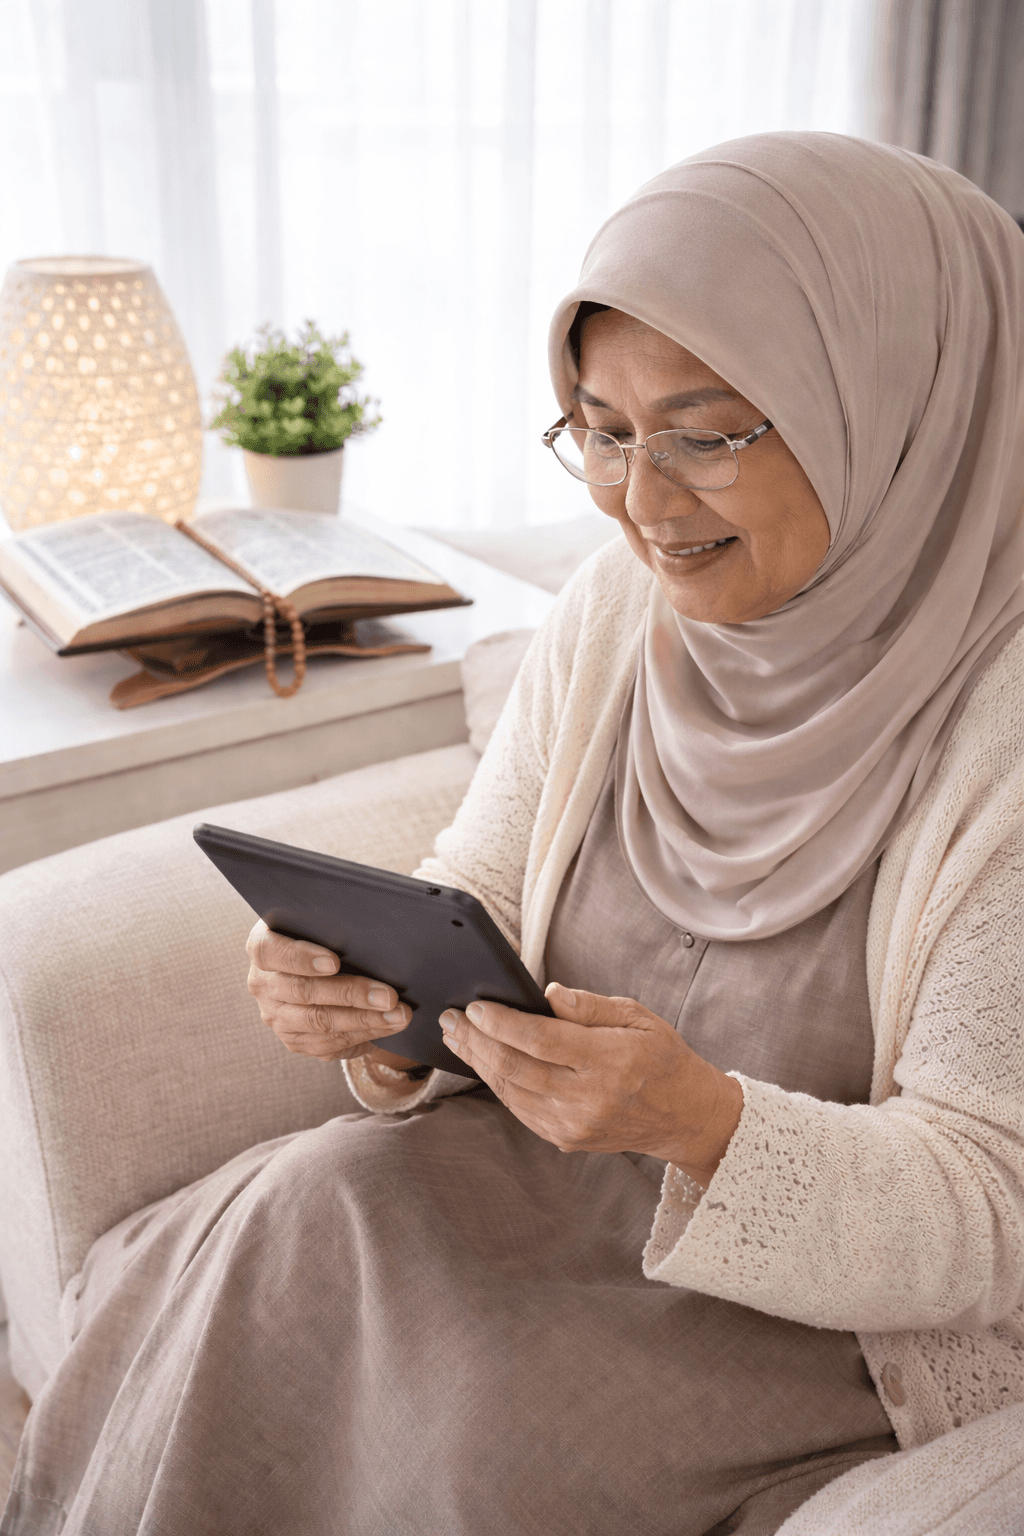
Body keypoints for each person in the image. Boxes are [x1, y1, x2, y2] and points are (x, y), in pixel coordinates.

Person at [5, 132, 1024, 1536]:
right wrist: (370, 1000)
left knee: (480, 1430)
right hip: (539, 1184)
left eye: (708, 430)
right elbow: (476, 887)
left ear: (894, 407)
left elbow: (991, 1216)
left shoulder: (1006, 736)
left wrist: (704, 1126)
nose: (641, 502)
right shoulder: (618, 612)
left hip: (810, 1317)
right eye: (601, 429)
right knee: (295, 1219)